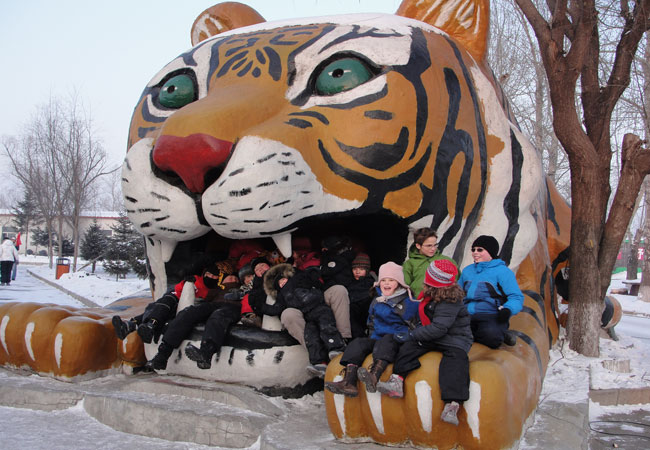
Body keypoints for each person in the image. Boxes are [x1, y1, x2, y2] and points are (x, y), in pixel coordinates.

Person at [376, 259, 471, 426]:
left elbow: (439, 328)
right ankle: (397, 380)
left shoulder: (449, 300)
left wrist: (413, 334)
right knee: (409, 348)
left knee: (455, 362)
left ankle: (453, 403)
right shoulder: (432, 295)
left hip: (454, 337)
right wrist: (412, 335)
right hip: (434, 335)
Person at [324, 262, 419, 397]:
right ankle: (349, 381)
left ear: (399, 283)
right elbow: (372, 321)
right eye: (383, 280)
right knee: (358, 343)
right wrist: (371, 335)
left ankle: (374, 376)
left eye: (391, 280)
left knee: (386, 341)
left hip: (396, 339)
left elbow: (414, 325)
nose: (386, 283)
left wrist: (405, 338)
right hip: (378, 338)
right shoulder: (377, 300)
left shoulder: (407, 302)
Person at [146, 262, 242, 370]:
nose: (233, 280)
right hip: (213, 304)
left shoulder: (242, 288)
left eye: (235, 278)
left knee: (218, 316)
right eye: (230, 278)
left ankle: (206, 353)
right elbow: (201, 295)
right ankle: (162, 354)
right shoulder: (215, 291)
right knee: (189, 312)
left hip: (233, 307)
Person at [112, 261, 233, 344]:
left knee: (161, 307)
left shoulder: (213, 291)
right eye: (208, 274)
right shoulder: (196, 279)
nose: (210, 277)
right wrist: (186, 284)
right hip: (176, 299)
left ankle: (136, 325)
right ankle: (139, 325)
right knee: (161, 305)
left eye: (214, 276)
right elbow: (178, 290)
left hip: (186, 307)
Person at [265, 263, 346, 377]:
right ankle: (319, 362)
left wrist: (310, 273)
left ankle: (337, 348)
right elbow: (277, 308)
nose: (283, 283)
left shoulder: (301, 281)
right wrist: (263, 308)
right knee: (311, 336)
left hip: (318, 307)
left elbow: (315, 281)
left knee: (327, 324)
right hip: (307, 315)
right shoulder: (282, 295)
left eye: (283, 279)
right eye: (280, 284)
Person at [457, 235, 523, 348]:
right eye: (473, 249)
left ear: (491, 252)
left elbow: (516, 297)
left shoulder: (502, 272)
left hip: (491, 314)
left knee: (491, 337)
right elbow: (457, 292)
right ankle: (498, 333)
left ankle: (499, 333)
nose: (475, 252)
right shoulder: (468, 270)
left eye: (480, 250)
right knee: (451, 332)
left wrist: (508, 309)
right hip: (467, 314)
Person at [403, 227, 458, 297]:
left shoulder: (447, 261)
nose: (433, 249)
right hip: (418, 303)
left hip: (443, 302)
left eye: (435, 245)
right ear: (418, 246)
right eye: (429, 246)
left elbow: (457, 282)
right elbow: (405, 287)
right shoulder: (409, 264)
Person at [347, 252, 376, 338]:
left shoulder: (371, 282)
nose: (357, 271)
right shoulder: (349, 283)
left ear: (367, 270)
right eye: (355, 269)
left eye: (361, 269)